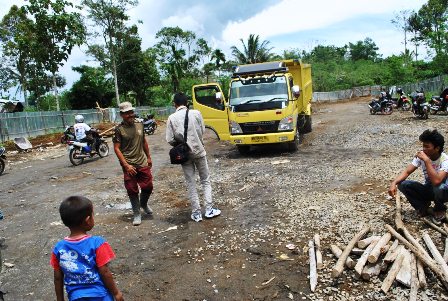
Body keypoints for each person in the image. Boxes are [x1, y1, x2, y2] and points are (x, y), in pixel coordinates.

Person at [50, 196, 124, 301]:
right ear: (88, 220)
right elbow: (105, 272)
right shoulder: (97, 243)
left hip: (76, 297)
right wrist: (116, 293)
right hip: (100, 295)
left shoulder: (59, 248)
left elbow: (58, 277)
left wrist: (60, 299)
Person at [166, 92, 221, 222]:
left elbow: (169, 139)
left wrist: (181, 145)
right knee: (205, 180)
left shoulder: (171, 118)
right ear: (187, 103)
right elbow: (201, 130)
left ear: (175, 104)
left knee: (191, 183)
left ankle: (196, 213)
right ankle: (209, 210)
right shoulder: (196, 113)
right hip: (199, 151)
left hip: (185, 155)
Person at [388, 129, 448, 225]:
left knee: (438, 186)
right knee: (403, 184)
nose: (423, 149)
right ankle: (423, 207)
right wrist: (393, 183)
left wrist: (427, 161)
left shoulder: (445, 160)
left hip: (444, 191)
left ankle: (440, 208)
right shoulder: (422, 156)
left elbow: (437, 181)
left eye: (427, 146)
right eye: (423, 146)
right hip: (430, 188)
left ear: (437, 148)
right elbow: (407, 171)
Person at [113, 102, 153, 226]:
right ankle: (136, 213)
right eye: (127, 113)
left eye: (131, 112)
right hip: (128, 164)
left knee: (148, 186)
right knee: (132, 189)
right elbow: (116, 148)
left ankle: (144, 204)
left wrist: (149, 157)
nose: (130, 115)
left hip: (142, 161)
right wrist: (126, 165)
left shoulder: (140, 125)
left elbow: (144, 141)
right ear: (121, 115)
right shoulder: (119, 130)